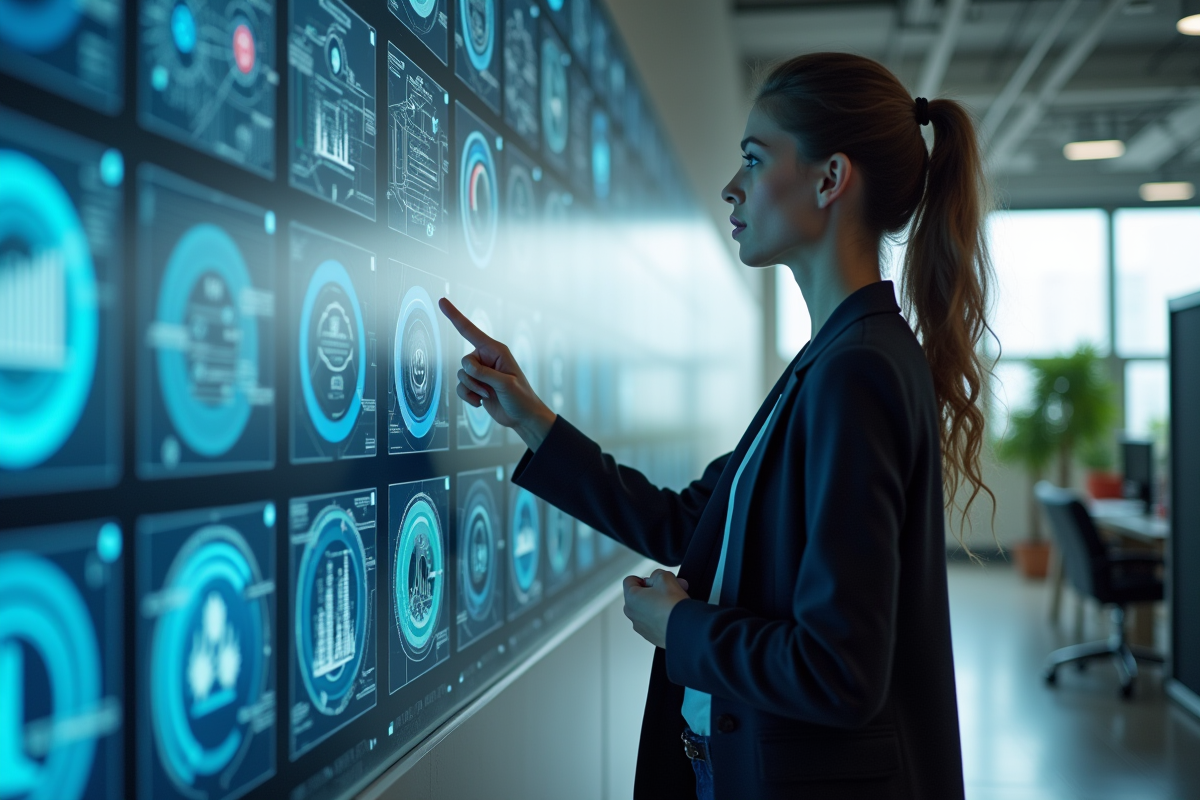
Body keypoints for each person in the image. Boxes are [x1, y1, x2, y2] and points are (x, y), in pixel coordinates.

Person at [439, 51, 993, 800]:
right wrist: (532, 419)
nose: (731, 187)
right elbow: (689, 522)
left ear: (831, 180)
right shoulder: (833, 360)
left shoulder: (855, 372)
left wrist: (683, 630)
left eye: (755, 160)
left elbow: (840, 671)